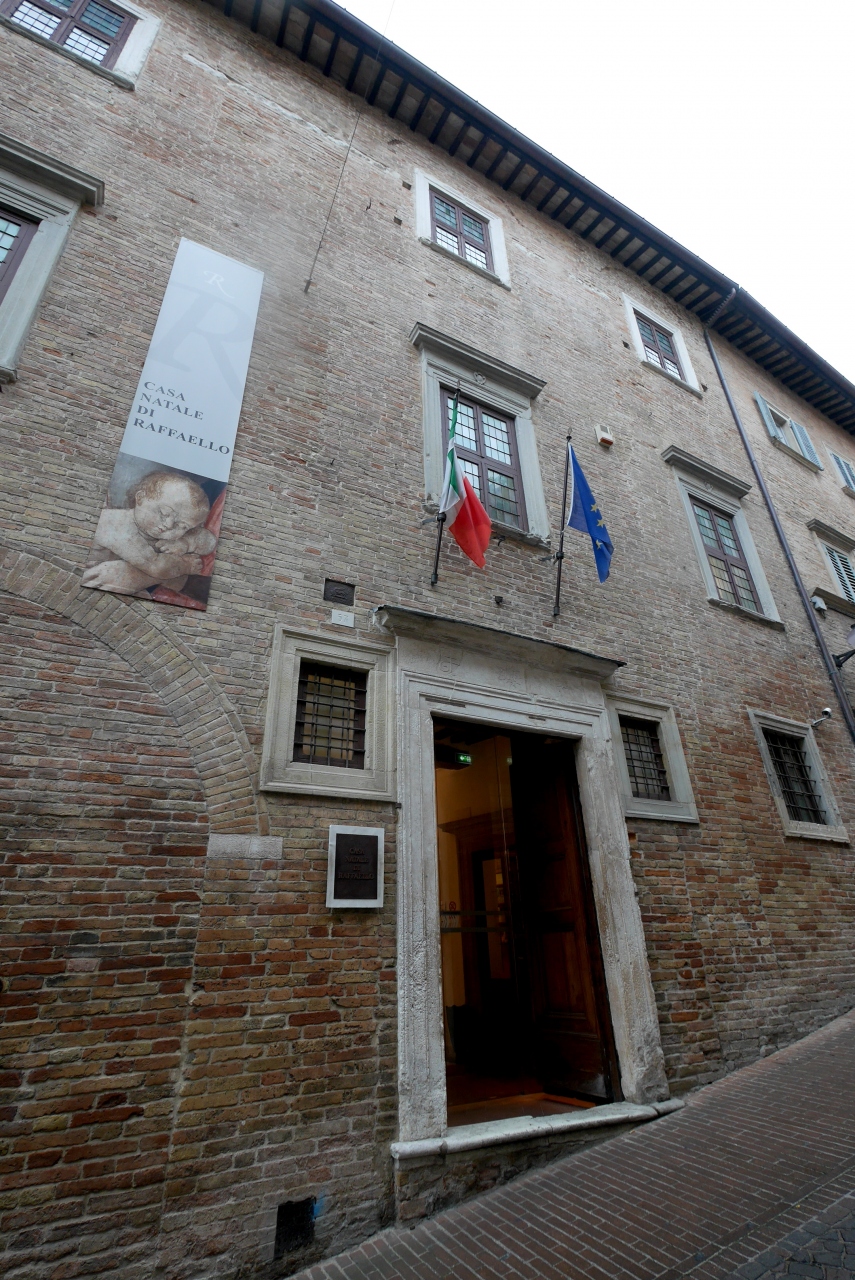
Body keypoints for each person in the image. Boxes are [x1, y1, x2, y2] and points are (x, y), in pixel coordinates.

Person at [82, 470, 216, 596]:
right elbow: (156, 567)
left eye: (182, 526)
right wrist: (185, 565)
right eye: (164, 513)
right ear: (140, 498)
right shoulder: (117, 525)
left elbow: (208, 541)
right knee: (116, 571)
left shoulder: (164, 529)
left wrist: (186, 543)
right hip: (94, 578)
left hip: (134, 585)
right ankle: (166, 579)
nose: (169, 525)